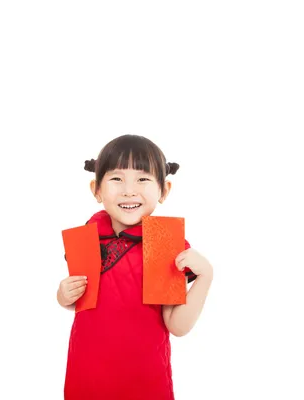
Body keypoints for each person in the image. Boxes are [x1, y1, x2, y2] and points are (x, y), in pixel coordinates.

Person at [57, 134, 213, 399]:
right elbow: (81, 302)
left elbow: (177, 325)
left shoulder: (164, 244)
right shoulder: (88, 235)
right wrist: (63, 296)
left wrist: (205, 276)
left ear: (164, 190)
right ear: (96, 189)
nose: (129, 190)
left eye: (143, 179)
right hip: (86, 377)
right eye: (117, 179)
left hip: (146, 381)